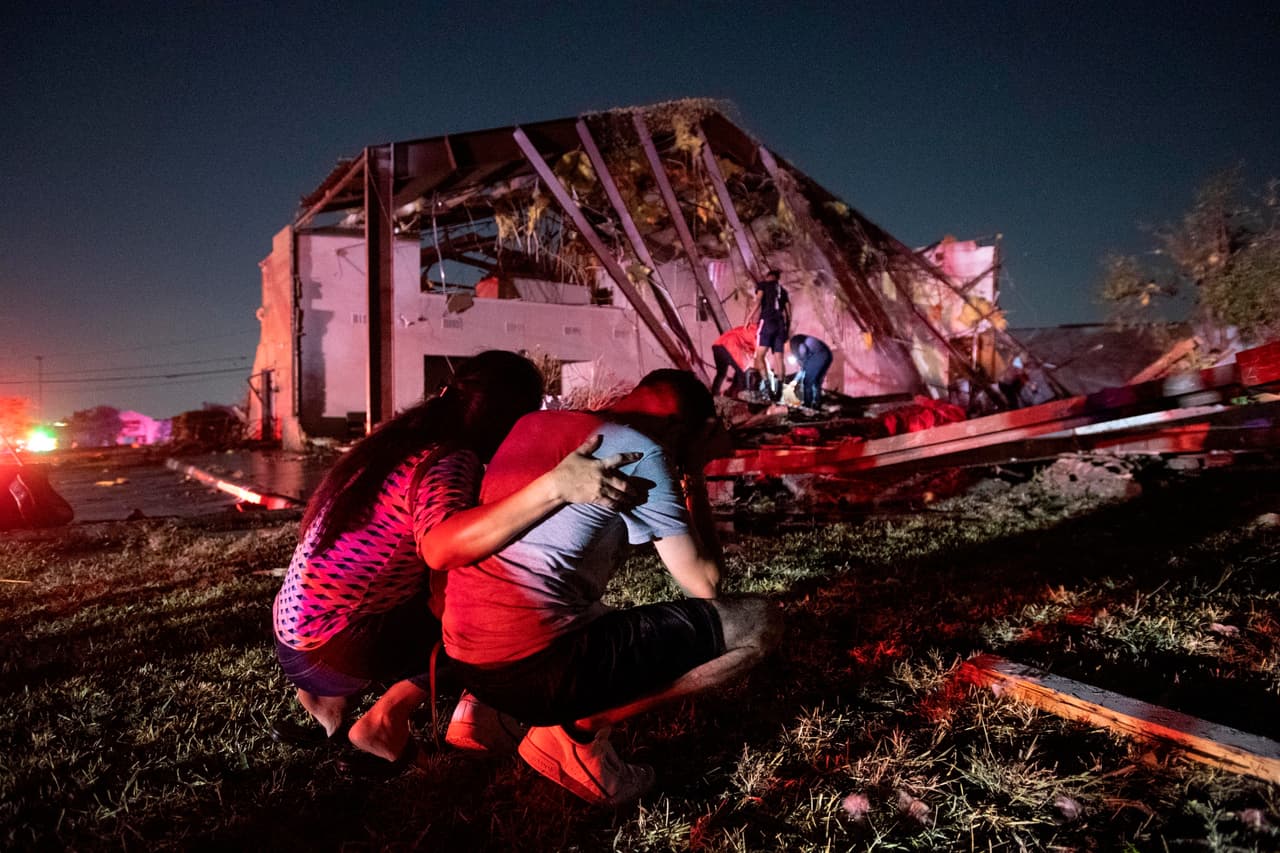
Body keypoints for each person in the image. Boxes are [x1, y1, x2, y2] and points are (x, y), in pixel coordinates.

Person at [271, 350, 644, 774]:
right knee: (488, 622)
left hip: (294, 638)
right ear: (507, 416)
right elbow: (440, 545)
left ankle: (329, 711)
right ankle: (384, 722)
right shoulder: (448, 459)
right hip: (335, 646)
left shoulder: (393, 443)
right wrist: (555, 487)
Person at [440, 369, 783, 805]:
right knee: (758, 623)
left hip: (468, 660)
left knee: (584, 609)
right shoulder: (641, 450)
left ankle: (479, 714)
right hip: (536, 670)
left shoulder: (533, 423)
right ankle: (572, 733)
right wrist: (694, 471)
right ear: (680, 428)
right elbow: (704, 582)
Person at [749, 269, 791, 401]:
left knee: (759, 355)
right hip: (780, 325)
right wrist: (787, 329)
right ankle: (779, 391)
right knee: (779, 359)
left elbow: (758, 301)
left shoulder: (763, 285)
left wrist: (749, 318)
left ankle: (767, 388)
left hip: (767, 322)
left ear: (768, 277)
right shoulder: (783, 291)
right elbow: (789, 311)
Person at [709, 324, 756, 397]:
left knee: (721, 373)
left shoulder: (749, 327)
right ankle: (744, 397)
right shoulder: (757, 335)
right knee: (742, 372)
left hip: (717, 346)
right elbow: (755, 353)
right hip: (728, 347)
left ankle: (714, 394)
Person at [788, 333, 833, 409]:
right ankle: (817, 404)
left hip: (818, 355)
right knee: (816, 382)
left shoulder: (793, 343)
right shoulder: (797, 340)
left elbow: (803, 350)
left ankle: (807, 405)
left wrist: (804, 365)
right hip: (827, 354)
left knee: (807, 382)